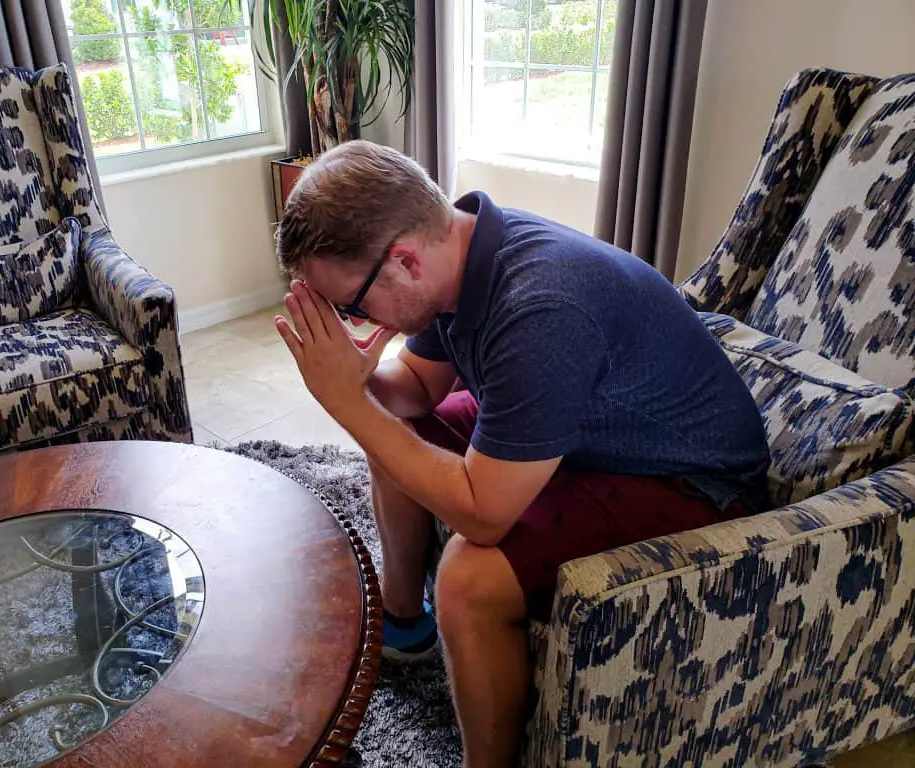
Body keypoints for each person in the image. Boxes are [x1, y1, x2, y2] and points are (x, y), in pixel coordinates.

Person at [272, 139, 770, 768]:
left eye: (351, 303)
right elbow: (417, 390)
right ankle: (405, 622)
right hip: (591, 431)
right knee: (400, 434)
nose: (352, 317)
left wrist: (347, 405)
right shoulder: (460, 250)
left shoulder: (540, 304)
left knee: (468, 579)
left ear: (404, 260)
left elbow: (484, 516)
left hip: (691, 479)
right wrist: (350, 377)